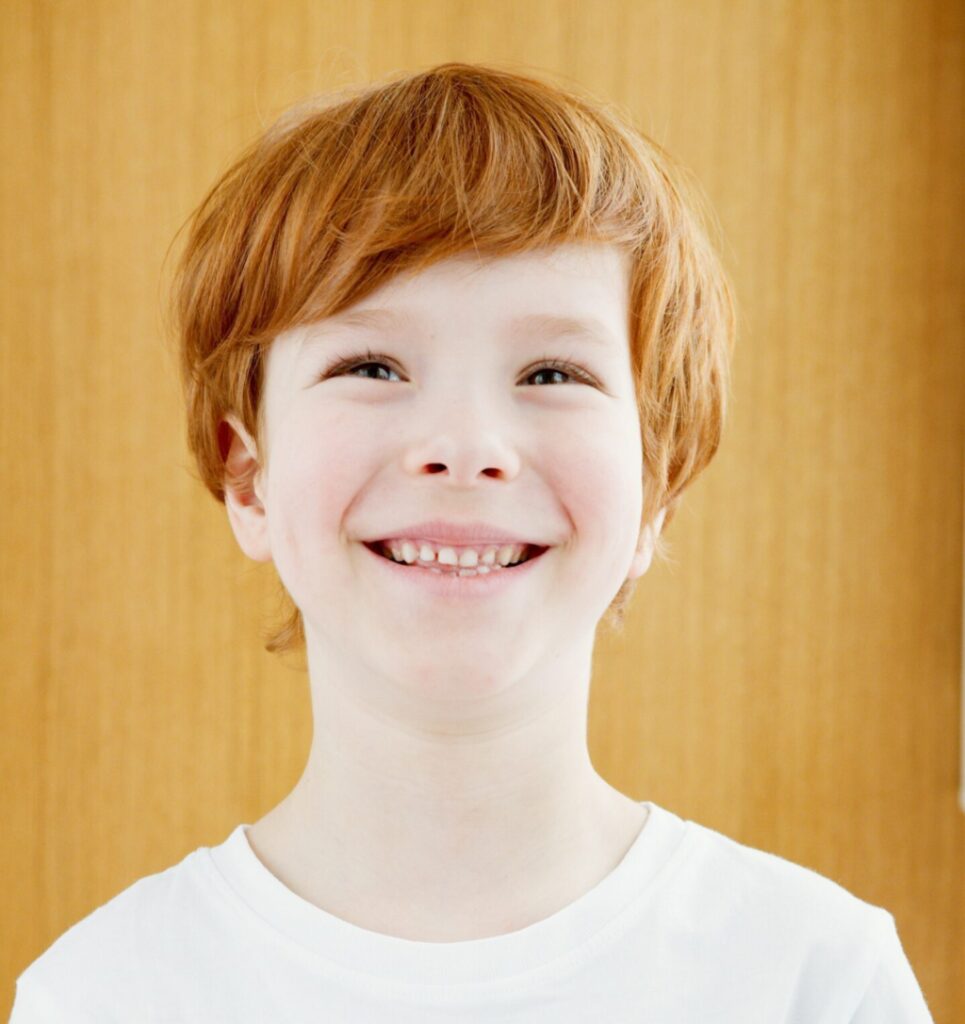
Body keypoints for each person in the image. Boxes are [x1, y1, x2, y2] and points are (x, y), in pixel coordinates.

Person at [10, 62, 933, 1022]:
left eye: (549, 371)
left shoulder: (811, 977)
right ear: (247, 476)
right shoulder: (103, 993)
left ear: (654, 488)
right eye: (370, 363)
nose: (464, 449)